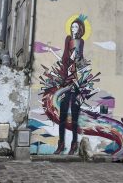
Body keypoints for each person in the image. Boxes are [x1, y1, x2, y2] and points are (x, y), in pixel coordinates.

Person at [54, 18, 85, 155]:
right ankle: (61, 144)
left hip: (76, 83)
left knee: (75, 116)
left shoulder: (81, 42)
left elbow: (80, 60)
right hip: (66, 82)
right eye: (72, 27)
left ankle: (74, 144)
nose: (73, 29)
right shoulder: (68, 40)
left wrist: (78, 60)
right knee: (63, 115)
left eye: (76, 27)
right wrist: (70, 57)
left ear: (80, 29)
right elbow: (64, 59)